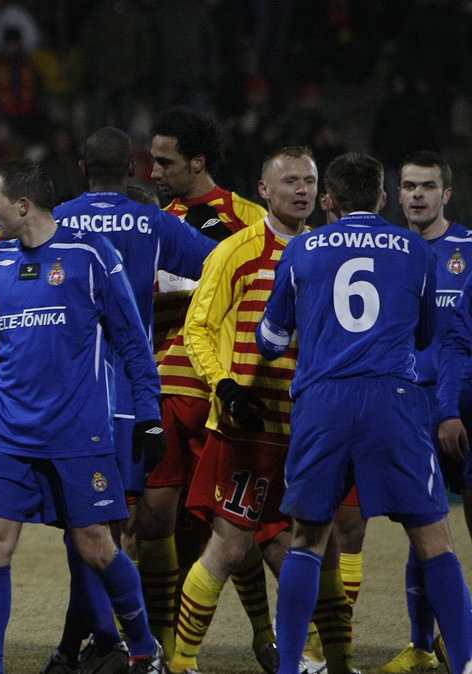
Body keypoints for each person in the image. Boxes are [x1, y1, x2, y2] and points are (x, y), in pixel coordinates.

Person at [260, 151, 472, 674]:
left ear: (328, 200)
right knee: (432, 537)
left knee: (308, 537)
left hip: (323, 401)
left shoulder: (303, 247)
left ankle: (290, 667)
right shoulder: (414, 249)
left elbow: (269, 339)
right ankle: (465, 663)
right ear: (382, 197)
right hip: (393, 401)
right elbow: (425, 334)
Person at [0, 158, 166, 674]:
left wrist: (149, 413)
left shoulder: (91, 254)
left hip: (78, 432)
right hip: (8, 434)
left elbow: (132, 341)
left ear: (22, 206)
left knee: (96, 546)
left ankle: (143, 649)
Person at [171, 147, 353, 674]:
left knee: (321, 546)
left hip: (310, 426)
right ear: (264, 190)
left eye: (310, 181)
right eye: (290, 180)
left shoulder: (327, 250)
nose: (301, 189)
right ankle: (181, 663)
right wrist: (225, 387)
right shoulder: (236, 249)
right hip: (248, 427)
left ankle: (329, 661)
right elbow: (197, 328)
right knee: (229, 549)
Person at [44, 127, 215, 674]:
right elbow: (218, 263)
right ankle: (105, 642)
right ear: (137, 169)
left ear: (80, 165)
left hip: (70, 392)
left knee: (84, 526)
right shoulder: (153, 221)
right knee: (112, 529)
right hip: (128, 393)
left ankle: (96, 643)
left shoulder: (60, 218)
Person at [138, 106, 270, 663]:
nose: (152, 172)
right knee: (156, 520)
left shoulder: (248, 217)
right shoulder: (146, 218)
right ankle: (164, 648)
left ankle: (265, 634)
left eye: (164, 162)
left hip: (224, 390)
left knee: (232, 520)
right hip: (162, 384)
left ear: (198, 162)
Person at [381, 151, 472, 674]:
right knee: (425, 526)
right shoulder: (387, 252)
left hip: (462, 404)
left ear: (446, 194)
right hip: (409, 405)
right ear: (395, 193)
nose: (417, 195)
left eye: (427, 186)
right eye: (409, 186)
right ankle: (421, 644)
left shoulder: (467, 250)